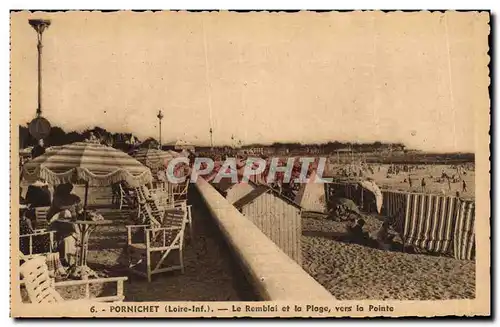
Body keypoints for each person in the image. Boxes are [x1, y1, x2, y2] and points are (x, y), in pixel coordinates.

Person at [47, 183, 83, 267]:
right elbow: (80, 212)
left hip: (66, 228)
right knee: (68, 238)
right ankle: (70, 260)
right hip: (62, 228)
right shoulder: (72, 198)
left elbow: (49, 216)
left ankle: (70, 259)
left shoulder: (59, 199)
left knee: (68, 238)